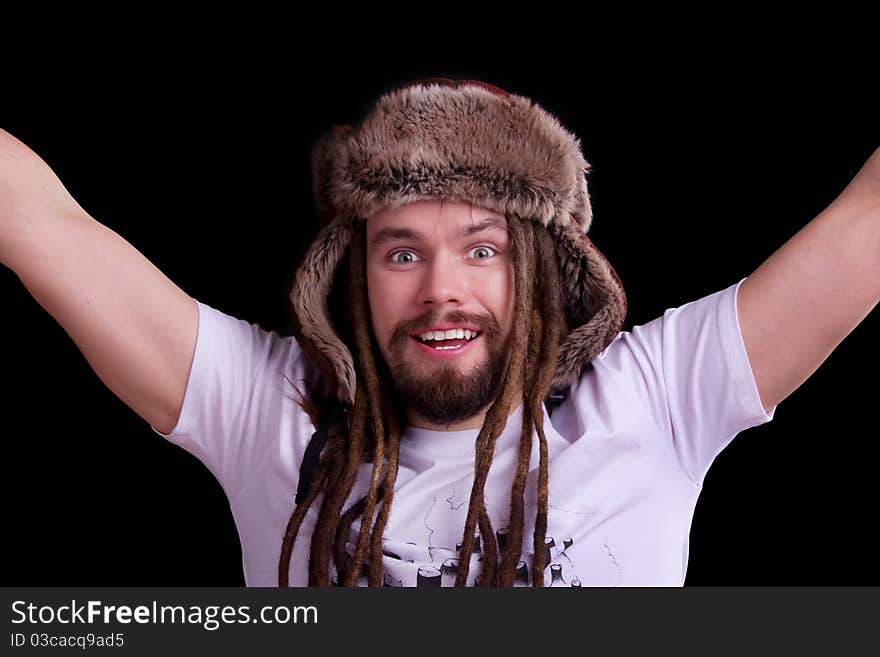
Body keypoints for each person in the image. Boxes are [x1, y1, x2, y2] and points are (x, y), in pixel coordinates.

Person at [1, 78, 877, 587]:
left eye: (482, 248)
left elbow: (865, 224)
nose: (442, 291)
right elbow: (38, 223)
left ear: (539, 268)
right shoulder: (269, 411)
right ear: (353, 274)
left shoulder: (657, 394)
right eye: (402, 253)